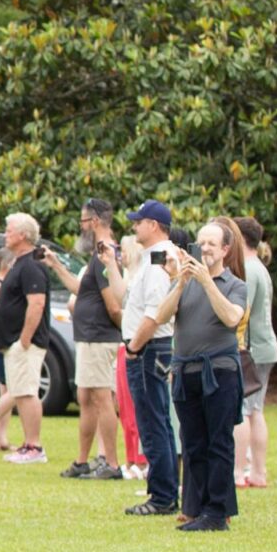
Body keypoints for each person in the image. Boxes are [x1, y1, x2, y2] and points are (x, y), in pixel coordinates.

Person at [153, 219, 247, 531]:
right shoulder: (185, 281)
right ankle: (197, 507)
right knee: (192, 441)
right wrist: (180, 282)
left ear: (225, 249)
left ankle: (217, 512)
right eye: (201, 242)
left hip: (219, 372)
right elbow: (162, 317)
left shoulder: (235, 285)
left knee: (218, 442)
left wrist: (207, 281)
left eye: (211, 243)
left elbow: (232, 317)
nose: (204, 248)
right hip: (185, 370)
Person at [41, 199, 126, 480]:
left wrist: (120, 329)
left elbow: (113, 303)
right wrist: (55, 265)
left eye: (83, 221)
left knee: (101, 398)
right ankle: (82, 460)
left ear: (96, 222)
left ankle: (111, 463)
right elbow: (82, 289)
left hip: (100, 337)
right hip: (89, 336)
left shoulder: (106, 252)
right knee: (86, 397)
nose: (81, 227)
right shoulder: (96, 255)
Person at [119, 200, 181, 516]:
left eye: (139, 221)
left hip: (148, 347)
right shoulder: (155, 257)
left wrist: (134, 347)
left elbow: (155, 311)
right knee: (156, 421)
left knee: (152, 421)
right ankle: (164, 490)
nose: (134, 226)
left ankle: (162, 495)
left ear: (153, 225)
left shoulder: (159, 258)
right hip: (149, 346)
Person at [0, 215, 52, 464]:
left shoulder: (31, 265)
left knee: (27, 393)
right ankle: (27, 444)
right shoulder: (19, 264)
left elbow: (37, 303)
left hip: (25, 343)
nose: (5, 235)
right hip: (12, 342)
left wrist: (24, 340)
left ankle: (34, 446)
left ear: (22, 235)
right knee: (20, 392)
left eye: (9, 231)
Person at [233, 216, 277, 489]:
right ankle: (258, 472)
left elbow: (241, 312)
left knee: (243, 409)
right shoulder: (259, 266)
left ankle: (239, 471)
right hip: (265, 345)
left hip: (251, 348)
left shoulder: (248, 268)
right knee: (256, 409)